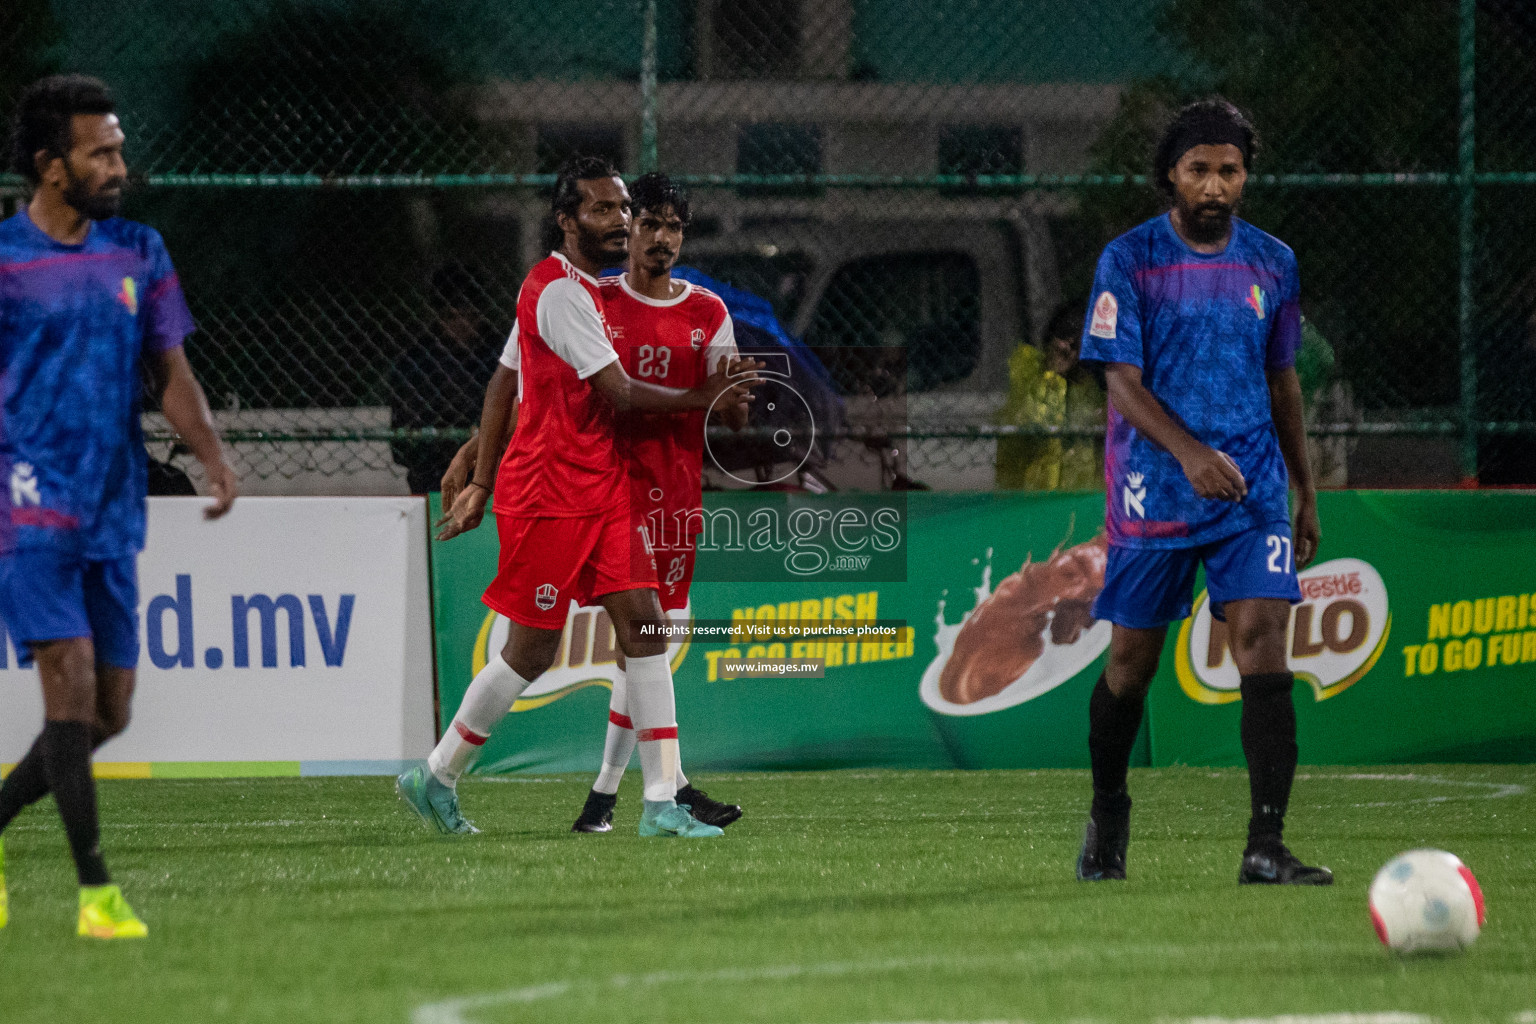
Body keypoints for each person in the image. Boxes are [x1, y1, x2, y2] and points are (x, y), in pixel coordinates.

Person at [398, 157, 758, 839]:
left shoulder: (592, 291)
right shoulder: (559, 292)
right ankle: (437, 774)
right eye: (603, 210)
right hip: (551, 492)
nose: (620, 222)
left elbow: (509, 377)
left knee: (646, 630)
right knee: (531, 654)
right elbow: (613, 391)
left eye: (624, 209)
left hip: (604, 489)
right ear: (566, 221)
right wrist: (483, 472)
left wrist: (476, 464)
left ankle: (659, 805)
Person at [0, 75, 239, 939]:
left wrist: (211, 457)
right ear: (49, 165)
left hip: (112, 505)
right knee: (66, 691)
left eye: (119, 147)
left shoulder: (139, 249)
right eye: (100, 151)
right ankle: (95, 894)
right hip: (25, 506)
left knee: (111, 711)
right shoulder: (4, 260)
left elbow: (171, 373)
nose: (118, 165)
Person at [1074, 98, 1329, 886]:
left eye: (1229, 170)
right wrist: (1187, 454)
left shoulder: (1273, 262)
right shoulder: (1129, 259)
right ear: (1170, 178)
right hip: (1158, 486)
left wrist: (1304, 487)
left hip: (1250, 488)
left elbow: (1281, 377)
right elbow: (1121, 380)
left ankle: (1265, 845)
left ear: (1245, 175)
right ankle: (1110, 808)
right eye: (1199, 171)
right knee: (1130, 666)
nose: (1215, 186)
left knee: (1262, 640)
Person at [388, 265, 505, 494]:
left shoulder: (500, 355)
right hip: (435, 470)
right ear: (438, 317)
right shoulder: (417, 361)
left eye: (469, 316)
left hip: (494, 465)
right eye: (451, 316)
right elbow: (402, 444)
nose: (461, 324)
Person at [995, 301, 1106, 491]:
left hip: (1076, 492)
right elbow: (1036, 419)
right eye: (1063, 337)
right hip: (1028, 489)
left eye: (1076, 344)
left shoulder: (1088, 386)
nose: (1067, 350)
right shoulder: (1027, 368)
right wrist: (1052, 374)